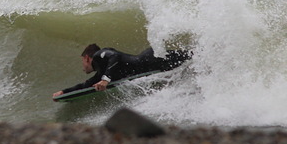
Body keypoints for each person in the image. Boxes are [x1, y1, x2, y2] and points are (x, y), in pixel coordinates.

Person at [52, 43, 192, 98]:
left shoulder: (99, 55)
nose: (83, 66)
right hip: (154, 64)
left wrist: (105, 81)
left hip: (152, 59)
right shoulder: (102, 73)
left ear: (87, 58)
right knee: (193, 59)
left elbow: (115, 56)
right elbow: (85, 85)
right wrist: (64, 92)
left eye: (82, 61)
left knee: (194, 55)